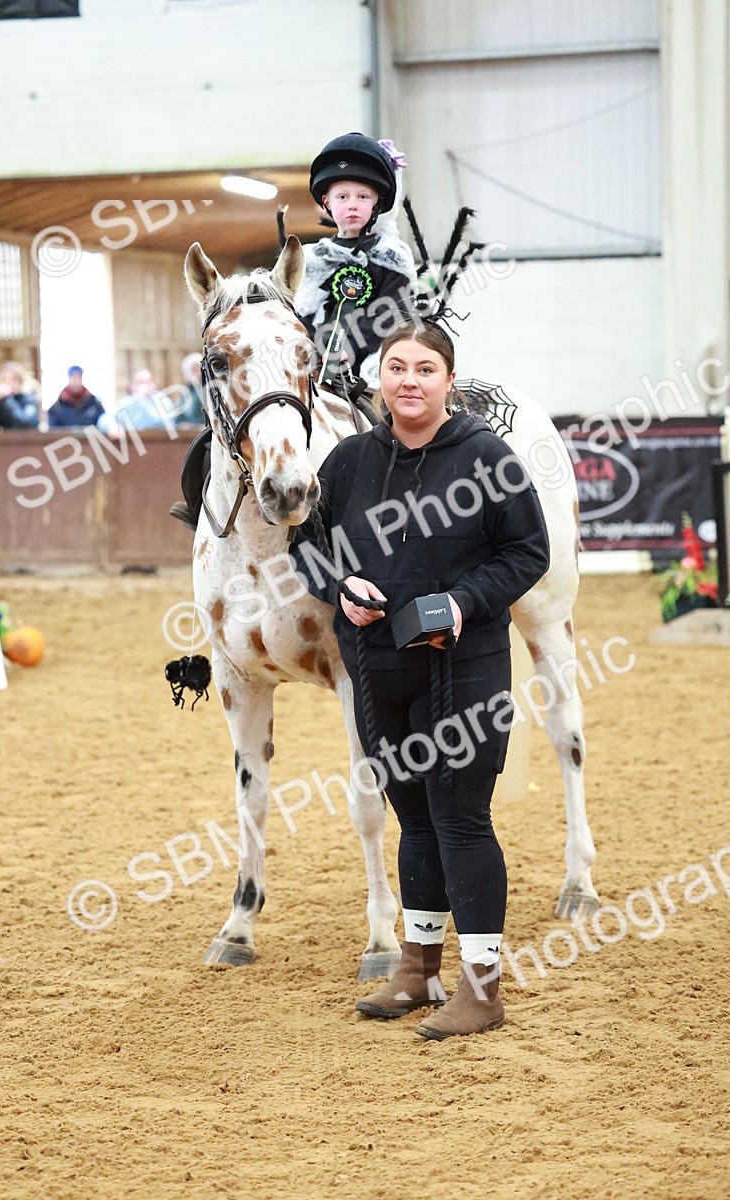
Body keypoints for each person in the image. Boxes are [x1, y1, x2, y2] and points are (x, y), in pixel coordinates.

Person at [289, 320, 550, 1040]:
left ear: (447, 380)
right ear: (380, 379)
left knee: (461, 817)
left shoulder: (487, 456)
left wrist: (463, 602)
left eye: (425, 368)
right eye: (397, 366)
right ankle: (419, 968)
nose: (410, 380)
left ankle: (482, 987)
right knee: (414, 818)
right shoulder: (345, 462)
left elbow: (528, 551)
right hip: (381, 669)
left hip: (462, 669)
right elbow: (305, 544)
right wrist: (338, 586)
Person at [294, 132, 417, 391]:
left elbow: (394, 312)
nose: (353, 205)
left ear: (377, 203)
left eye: (363, 197)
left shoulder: (392, 256)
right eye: (342, 197)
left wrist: (349, 346)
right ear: (326, 202)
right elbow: (301, 314)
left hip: (377, 364)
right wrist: (317, 349)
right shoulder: (314, 259)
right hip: (319, 364)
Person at [97, 368, 168, 436]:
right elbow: (104, 419)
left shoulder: (163, 400)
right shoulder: (127, 402)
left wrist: (143, 402)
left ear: (154, 384)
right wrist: (112, 426)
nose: (145, 385)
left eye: (148, 382)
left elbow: (168, 424)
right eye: (140, 382)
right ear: (132, 386)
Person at [0, 362, 39, 429]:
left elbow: (24, 423)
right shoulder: (0, 401)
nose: (10, 383)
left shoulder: (29, 398)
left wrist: (7, 399)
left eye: (14, 379)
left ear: (21, 381)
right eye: (6, 379)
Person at [179, 353, 206, 428]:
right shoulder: (186, 392)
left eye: (195, 369)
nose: (192, 373)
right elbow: (179, 417)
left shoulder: (210, 389)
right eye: (189, 370)